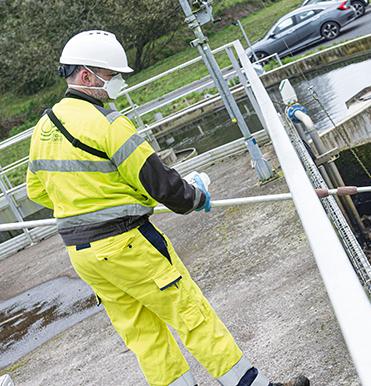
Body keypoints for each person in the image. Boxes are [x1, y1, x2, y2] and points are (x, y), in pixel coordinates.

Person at [26, 30, 309, 386]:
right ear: (86, 76)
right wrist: (197, 195)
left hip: (84, 257)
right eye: (112, 77)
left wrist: (91, 199)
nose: (117, 86)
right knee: (193, 317)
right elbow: (164, 187)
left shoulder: (43, 128)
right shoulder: (108, 125)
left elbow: (37, 192)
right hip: (128, 246)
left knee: (144, 337)